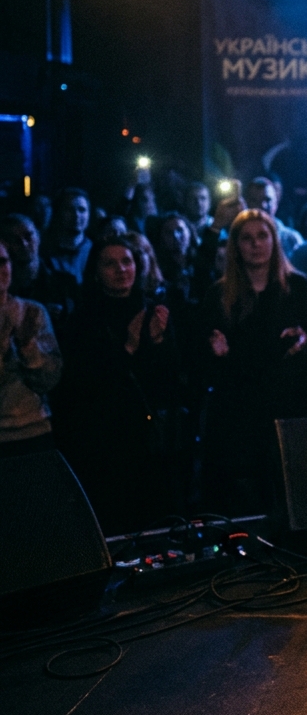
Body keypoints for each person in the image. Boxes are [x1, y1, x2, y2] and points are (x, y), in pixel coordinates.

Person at [51, 236, 184, 533]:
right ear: (96, 271)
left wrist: (160, 340)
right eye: (110, 264)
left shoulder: (153, 309)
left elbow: (172, 378)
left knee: (155, 519)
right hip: (104, 440)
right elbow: (81, 385)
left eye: (126, 261)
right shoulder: (83, 319)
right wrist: (129, 346)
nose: (121, 269)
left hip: (148, 438)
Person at [200, 210, 307, 515]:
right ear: (236, 245)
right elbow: (209, 362)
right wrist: (220, 354)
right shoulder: (220, 295)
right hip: (238, 414)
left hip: (286, 407)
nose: (256, 244)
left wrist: (303, 343)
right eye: (247, 238)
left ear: (274, 240)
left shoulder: (298, 288)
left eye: (262, 236)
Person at [0, 238, 63, 456]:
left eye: (2, 262)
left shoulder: (31, 312)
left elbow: (50, 380)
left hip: (31, 431)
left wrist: (28, 347)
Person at [0, 214, 77, 333]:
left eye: (28, 236)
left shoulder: (65, 283)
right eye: (14, 240)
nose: (24, 244)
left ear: (38, 237)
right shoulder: (3, 286)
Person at [42, 188, 92, 284]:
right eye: (70, 210)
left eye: (82, 210)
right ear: (59, 213)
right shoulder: (45, 251)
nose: (76, 215)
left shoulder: (96, 251)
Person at [246, 177, 303, 257]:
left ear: (276, 203)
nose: (263, 206)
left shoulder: (292, 239)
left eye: (267, 200)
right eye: (255, 201)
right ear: (247, 204)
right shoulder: (239, 237)